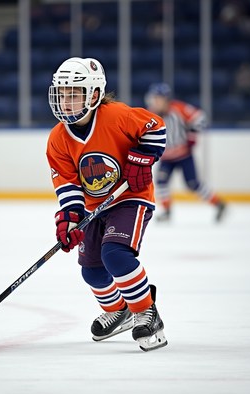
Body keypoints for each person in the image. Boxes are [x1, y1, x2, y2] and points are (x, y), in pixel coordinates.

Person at [46, 57, 168, 352]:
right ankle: (119, 310)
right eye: (62, 93)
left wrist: (142, 158)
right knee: (92, 270)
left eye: (74, 94)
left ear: (95, 94)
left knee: (116, 255)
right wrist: (71, 217)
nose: (66, 101)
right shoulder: (58, 138)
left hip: (130, 198)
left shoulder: (116, 116)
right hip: (94, 206)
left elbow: (156, 128)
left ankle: (146, 313)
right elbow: (67, 182)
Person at [144, 83, 226, 222]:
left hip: (184, 155)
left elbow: (200, 118)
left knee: (193, 184)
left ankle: (218, 204)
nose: (155, 102)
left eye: (158, 99)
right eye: (154, 98)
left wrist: (192, 135)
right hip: (166, 157)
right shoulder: (150, 113)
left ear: (166, 99)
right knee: (161, 183)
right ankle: (167, 212)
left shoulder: (178, 108)